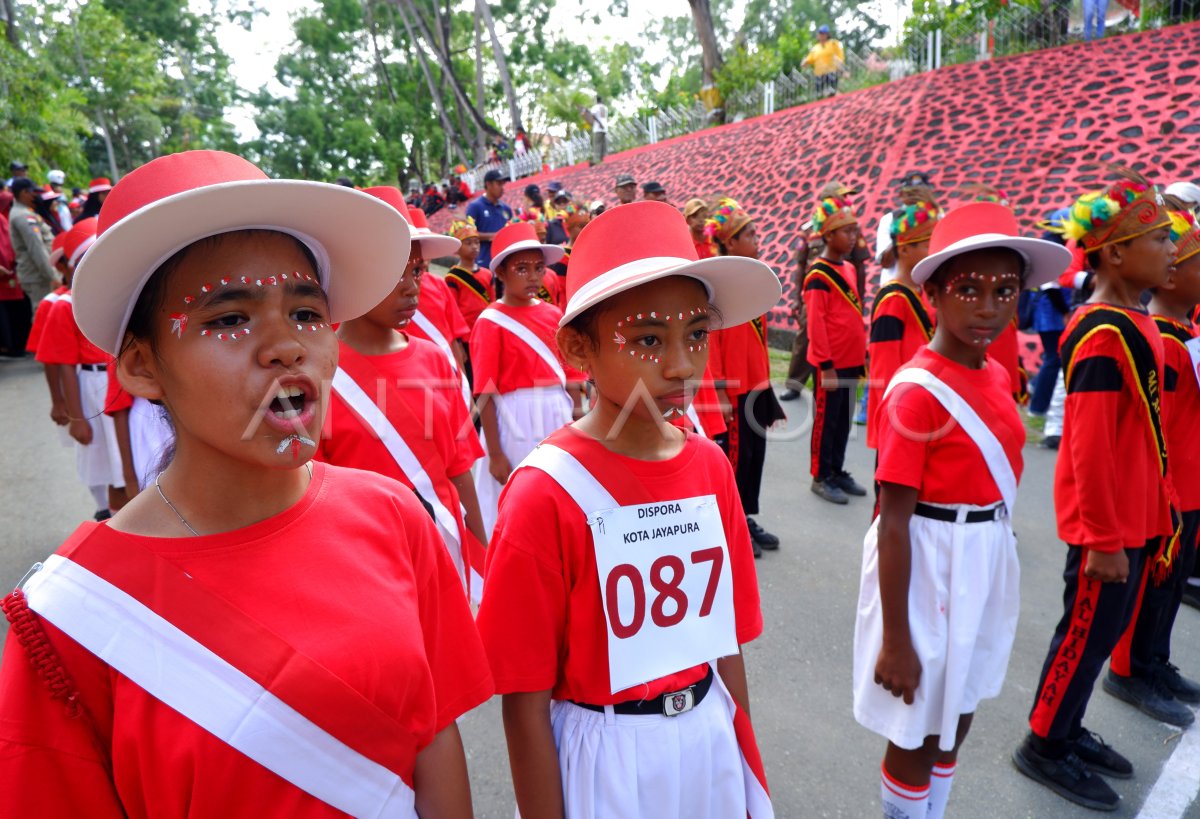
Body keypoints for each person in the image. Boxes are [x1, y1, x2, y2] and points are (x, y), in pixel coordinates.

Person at [0, 150, 492, 816]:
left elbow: (433, 738)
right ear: (142, 367)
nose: (287, 346)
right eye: (229, 318)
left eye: (307, 313)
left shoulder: (395, 516)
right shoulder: (71, 621)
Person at [476, 199, 777, 819]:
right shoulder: (542, 494)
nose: (680, 364)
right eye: (646, 338)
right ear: (578, 347)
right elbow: (524, 697)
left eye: (696, 333)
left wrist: (749, 770)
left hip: (706, 733)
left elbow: (726, 646)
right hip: (603, 754)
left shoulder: (710, 467)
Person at [855, 201, 1070, 819]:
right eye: (968, 289)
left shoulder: (998, 378)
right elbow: (892, 519)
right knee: (918, 725)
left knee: (961, 707)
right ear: (934, 297)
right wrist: (896, 637)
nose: (988, 307)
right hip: (927, 562)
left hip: (983, 553)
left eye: (1005, 290)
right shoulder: (915, 394)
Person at [1015, 171, 1177, 812]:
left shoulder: (1131, 320)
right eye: (1158, 238)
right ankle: (1044, 743)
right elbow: (1088, 447)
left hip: (1135, 518)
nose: (1171, 250)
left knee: (1101, 636)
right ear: (1113, 252)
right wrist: (1103, 540)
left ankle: (1068, 725)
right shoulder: (1104, 331)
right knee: (1083, 634)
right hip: (1105, 531)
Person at [318, 186, 488, 604]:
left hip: (445, 546)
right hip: (369, 563)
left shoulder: (434, 360)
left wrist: (483, 548)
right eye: (396, 272)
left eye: (417, 272)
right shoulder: (317, 373)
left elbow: (459, 467)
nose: (413, 287)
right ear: (354, 273)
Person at [1103, 201, 1200, 728]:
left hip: (1195, 480)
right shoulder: (1163, 338)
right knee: (1152, 582)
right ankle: (1129, 668)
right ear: (1170, 279)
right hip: (1173, 483)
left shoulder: (1183, 333)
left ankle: (1155, 660)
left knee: (1173, 580)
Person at [470, 221, 581, 538]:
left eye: (537, 268)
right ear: (501, 273)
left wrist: (577, 419)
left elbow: (571, 374)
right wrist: (495, 452)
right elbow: (486, 392)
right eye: (521, 268)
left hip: (557, 413)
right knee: (520, 495)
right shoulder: (491, 321)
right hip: (514, 418)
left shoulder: (552, 314)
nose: (533, 276)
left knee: (560, 488)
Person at [705, 198, 786, 555]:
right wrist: (720, 391)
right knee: (736, 460)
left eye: (755, 232)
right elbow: (715, 343)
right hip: (734, 390)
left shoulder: (755, 279)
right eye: (749, 234)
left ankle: (746, 516)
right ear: (731, 243)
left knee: (755, 458)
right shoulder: (721, 286)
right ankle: (731, 524)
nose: (757, 239)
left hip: (757, 385)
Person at [34, 218, 126, 520]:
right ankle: (109, 517)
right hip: (93, 385)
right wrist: (73, 415)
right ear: (73, 267)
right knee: (109, 464)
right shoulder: (63, 305)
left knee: (127, 463)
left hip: (125, 384)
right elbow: (61, 363)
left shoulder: (120, 297)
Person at [804, 195, 867, 505]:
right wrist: (825, 364)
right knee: (827, 420)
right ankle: (820, 475)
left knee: (844, 419)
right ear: (829, 235)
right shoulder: (818, 274)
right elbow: (816, 325)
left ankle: (837, 469)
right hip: (831, 363)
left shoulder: (850, 269)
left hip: (851, 360)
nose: (853, 237)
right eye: (847, 231)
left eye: (855, 230)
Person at [865, 200, 939, 457]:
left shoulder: (921, 294)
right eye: (927, 244)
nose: (934, 250)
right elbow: (883, 365)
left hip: (920, 401)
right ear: (906, 250)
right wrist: (894, 412)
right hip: (900, 409)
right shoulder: (893, 299)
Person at [876, 172, 937, 287]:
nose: (917, 198)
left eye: (921, 192)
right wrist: (904, 233)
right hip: (898, 287)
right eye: (913, 193)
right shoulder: (889, 220)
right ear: (901, 195)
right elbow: (885, 262)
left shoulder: (938, 217)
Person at [8, 177, 58, 305]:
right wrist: (52, 276)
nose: (35, 196)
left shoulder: (24, 212)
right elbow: (36, 248)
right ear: (24, 193)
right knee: (43, 315)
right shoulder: (23, 216)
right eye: (32, 192)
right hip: (39, 276)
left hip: (38, 274)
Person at [780, 229, 814, 401]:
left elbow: (859, 266)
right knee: (803, 341)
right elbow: (801, 265)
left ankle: (825, 388)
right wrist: (796, 298)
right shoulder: (810, 228)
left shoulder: (849, 227)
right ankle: (794, 385)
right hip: (812, 295)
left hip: (840, 297)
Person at [444, 216, 495, 329]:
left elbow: (492, 303)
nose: (474, 247)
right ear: (457, 248)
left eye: (477, 242)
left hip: (485, 327)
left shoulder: (487, 274)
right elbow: (452, 310)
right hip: (465, 332)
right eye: (468, 243)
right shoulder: (453, 277)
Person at [0, 189, 29, 358]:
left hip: (11, 271)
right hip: (7, 272)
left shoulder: (5, 218)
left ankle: (16, 345)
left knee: (14, 311)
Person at [466, 168, 513, 269]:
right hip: (484, 262)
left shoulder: (506, 209)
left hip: (504, 262)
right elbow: (468, 234)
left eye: (503, 184)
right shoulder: (475, 206)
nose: (502, 188)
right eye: (499, 184)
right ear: (488, 184)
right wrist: (494, 236)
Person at [804, 24, 845, 98]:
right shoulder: (816, 47)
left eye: (822, 33)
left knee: (832, 92)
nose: (820, 35)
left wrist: (841, 65)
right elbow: (810, 58)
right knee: (819, 94)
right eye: (819, 33)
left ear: (827, 35)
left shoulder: (833, 43)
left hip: (831, 71)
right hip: (819, 74)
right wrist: (805, 62)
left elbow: (840, 55)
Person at [587, 94, 608, 164]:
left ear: (596, 100)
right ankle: (604, 159)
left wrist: (599, 123)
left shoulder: (595, 107)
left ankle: (597, 160)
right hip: (604, 128)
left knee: (597, 145)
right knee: (603, 145)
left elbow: (592, 115)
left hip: (598, 128)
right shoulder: (605, 107)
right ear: (601, 100)